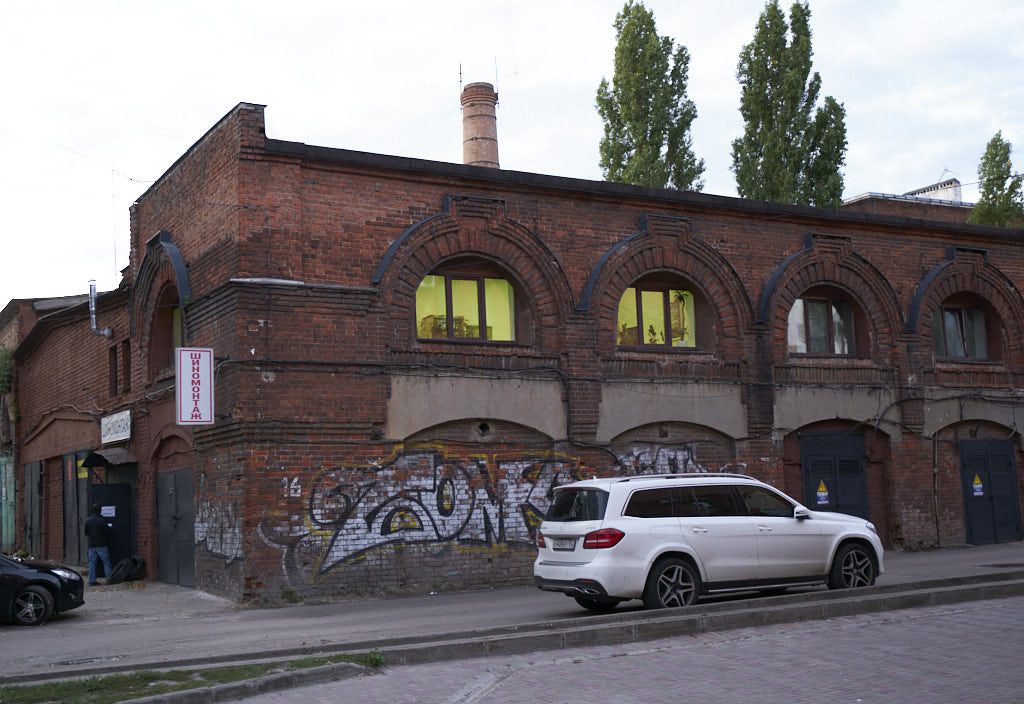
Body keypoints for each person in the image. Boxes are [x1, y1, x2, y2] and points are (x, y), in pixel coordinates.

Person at [84, 503, 114, 586]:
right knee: (106, 562)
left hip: (92, 545)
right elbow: (107, 531)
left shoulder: (88, 520)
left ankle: (92, 580)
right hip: (101, 544)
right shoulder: (102, 520)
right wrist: (111, 529)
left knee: (92, 563)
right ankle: (109, 579)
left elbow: (86, 533)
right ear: (100, 510)